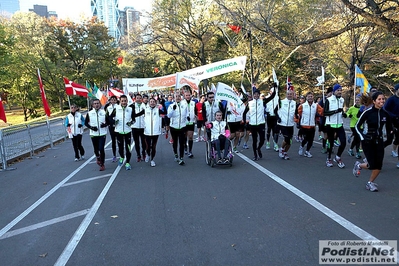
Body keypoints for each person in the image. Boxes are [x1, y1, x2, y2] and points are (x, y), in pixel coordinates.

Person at [353, 91, 393, 192]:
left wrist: (388, 140)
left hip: (379, 142)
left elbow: (389, 128)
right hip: (368, 141)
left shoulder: (385, 114)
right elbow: (357, 126)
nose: (382, 101)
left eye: (383, 99)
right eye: (379, 99)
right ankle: (359, 165)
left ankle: (370, 183)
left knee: (379, 165)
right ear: (374, 101)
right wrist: (363, 137)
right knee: (371, 165)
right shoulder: (367, 112)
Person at [242, 88, 276, 160]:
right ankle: (255, 154)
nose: (256, 95)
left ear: (259, 95)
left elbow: (272, 96)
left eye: (257, 94)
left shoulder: (263, 101)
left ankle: (259, 148)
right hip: (253, 124)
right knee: (254, 140)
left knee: (262, 140)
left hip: (261, 123)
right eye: (255, 94)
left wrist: (275, 88)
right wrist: (245, 122)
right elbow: (244, 113)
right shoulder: (250, 103)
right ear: (253, 95)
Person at [136, 97, 166, 167]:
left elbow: (165, 113)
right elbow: (137, 115)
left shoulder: (158, 110)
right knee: (148, 146)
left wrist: (163, 103)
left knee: (154, 147)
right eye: (151, 102)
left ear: (155, 103)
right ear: (149, 103)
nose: (152, 103)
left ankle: (152, 160)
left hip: (156, 132)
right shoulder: (145, 110)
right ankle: (148, 154)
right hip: (147, 132)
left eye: (153, 102)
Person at [323, 84, 347, 168]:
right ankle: (329, 158)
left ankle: (338, 157)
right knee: (331, 143)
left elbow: (341, 111)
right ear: (334, 91)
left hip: (339, 124)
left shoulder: (342, 100)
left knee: (343, 142)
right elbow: (325, 113)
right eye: (338, 90)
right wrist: (336, 111)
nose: (340, 92)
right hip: (330, 124)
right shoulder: (328, 100)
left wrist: (344, 114)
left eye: (341, 90)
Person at [296, 92, 323, 158]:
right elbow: (297, 114)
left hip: (312, 125)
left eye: (311, 96)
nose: (310, 97)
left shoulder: (316, 105)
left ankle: (307, 151)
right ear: (306, 97)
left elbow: (321, 112)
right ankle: (301, 146)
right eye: (309, 96)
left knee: (311, 140)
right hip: (304, 125)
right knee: (306, 139)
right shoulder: (302, 106)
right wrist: (297, 121)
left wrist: (324, 108)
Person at [110, 95, 134, 170]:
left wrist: (131, 123)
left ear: (127, 101)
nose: (124, 102)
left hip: (127, 131)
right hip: (119, 131)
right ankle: (122, 157)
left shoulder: (130, 109)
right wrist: (114, 122)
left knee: (128, 148)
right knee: (120, 148)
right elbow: (110, 117)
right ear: (120, 101)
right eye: (122, 101)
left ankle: (127, 163)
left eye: (125, 101)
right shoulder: (116, 108)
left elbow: (134, 119)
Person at [85, 99, 108, 171]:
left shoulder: (104, 112)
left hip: (102, 133)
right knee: (96, 149)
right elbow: (85, 123)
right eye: (95, 104)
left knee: (101, 148)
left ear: (100, 104)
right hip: (93, 134)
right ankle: (98, 157)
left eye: (98, 103)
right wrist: (91, 127)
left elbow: (108, 121)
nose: (96, 105)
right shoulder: (89, 113)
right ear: (92, 105)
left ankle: (102, 164)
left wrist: (105, 125)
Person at [167, 93, 188, 165]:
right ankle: (176, 154)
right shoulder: (171, 106)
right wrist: (173, 109)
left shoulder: (184, 105)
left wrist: (188, 118)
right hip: (173, 127)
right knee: (175, 142)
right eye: (176, 96)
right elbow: (169, 116)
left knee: (182, 143)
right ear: (174, 98)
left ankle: (181, 158)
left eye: (179, 96)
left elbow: (187, 113)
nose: (178, 98)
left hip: (182, 126)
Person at [276, 89, 296, 160]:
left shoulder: (294, 103)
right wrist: (278, 118)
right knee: (287, 138)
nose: (290, 95)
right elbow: (275, 110)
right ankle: (281, 149)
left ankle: (285, 152)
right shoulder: (281, 102)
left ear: (293, 95)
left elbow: (295, 112)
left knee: (290, 141)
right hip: (283, 124)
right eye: (288, 94)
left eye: (291, 94)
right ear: (286, 95)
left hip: (290, 124)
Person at [383, 83, 399, 166]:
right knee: (389, 140)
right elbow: (385, 109)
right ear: (397, 90)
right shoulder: (391, 99)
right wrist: (394, 116)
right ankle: (378, 150)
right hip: (391, 122)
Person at [130, 94, 146, 162]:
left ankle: (143, 154)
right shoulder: (131, 106)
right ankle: (138, 155)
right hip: (134, 127)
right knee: (136, 142)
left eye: (140, 98)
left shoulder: (145, 106)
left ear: (141, 99)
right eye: (137, 98)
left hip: (143, 127)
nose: (138, 99)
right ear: (135, 99)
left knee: (143, 142)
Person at [180, 90, 196, 158]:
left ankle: (190, 151)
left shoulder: (193, 103)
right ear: (184, 96)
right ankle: (185, 147)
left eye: (189, 95)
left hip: (191, 121)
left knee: (190, 136)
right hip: (184, 122)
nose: (188, 97)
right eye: (186, 95)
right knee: (184, 136)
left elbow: (195, 111)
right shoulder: (181, 103)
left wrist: (196, 115)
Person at [265, 83, 279, 151]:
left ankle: (275, 143)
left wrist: (275, 87)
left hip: (275, 116)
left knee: (275, 130)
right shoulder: (267, 98)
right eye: (271, 91)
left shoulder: (277, 98)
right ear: (270, 92)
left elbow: (277, 92)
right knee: (269, 129)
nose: (273, 92)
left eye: (273, 91)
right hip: (269, 116)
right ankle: (267, 142)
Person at [105, 96, 119, 162]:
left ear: (116, 100)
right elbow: (107, 117)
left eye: (114, 100)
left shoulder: (119, 107)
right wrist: (107, 124)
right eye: (112, 100)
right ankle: (114, 155)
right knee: (113, 141)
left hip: (118, 126)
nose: (113, 101)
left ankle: (121, 154)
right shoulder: (108, 108)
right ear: (110, 101)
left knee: (119, 141)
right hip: (111, 127)